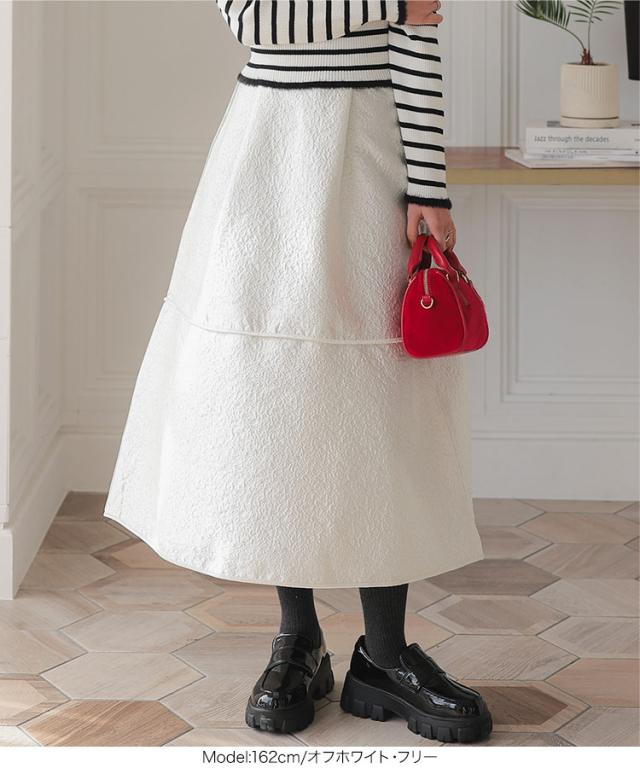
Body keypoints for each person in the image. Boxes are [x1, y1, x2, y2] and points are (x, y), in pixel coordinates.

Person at [103, 0, 492, 743]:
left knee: (382, 405)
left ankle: (384, 656)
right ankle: (298, 638)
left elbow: (416, 47)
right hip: (271, 160)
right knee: (277, 396)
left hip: (373, 153)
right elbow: (254, 23)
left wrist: (429, 185)